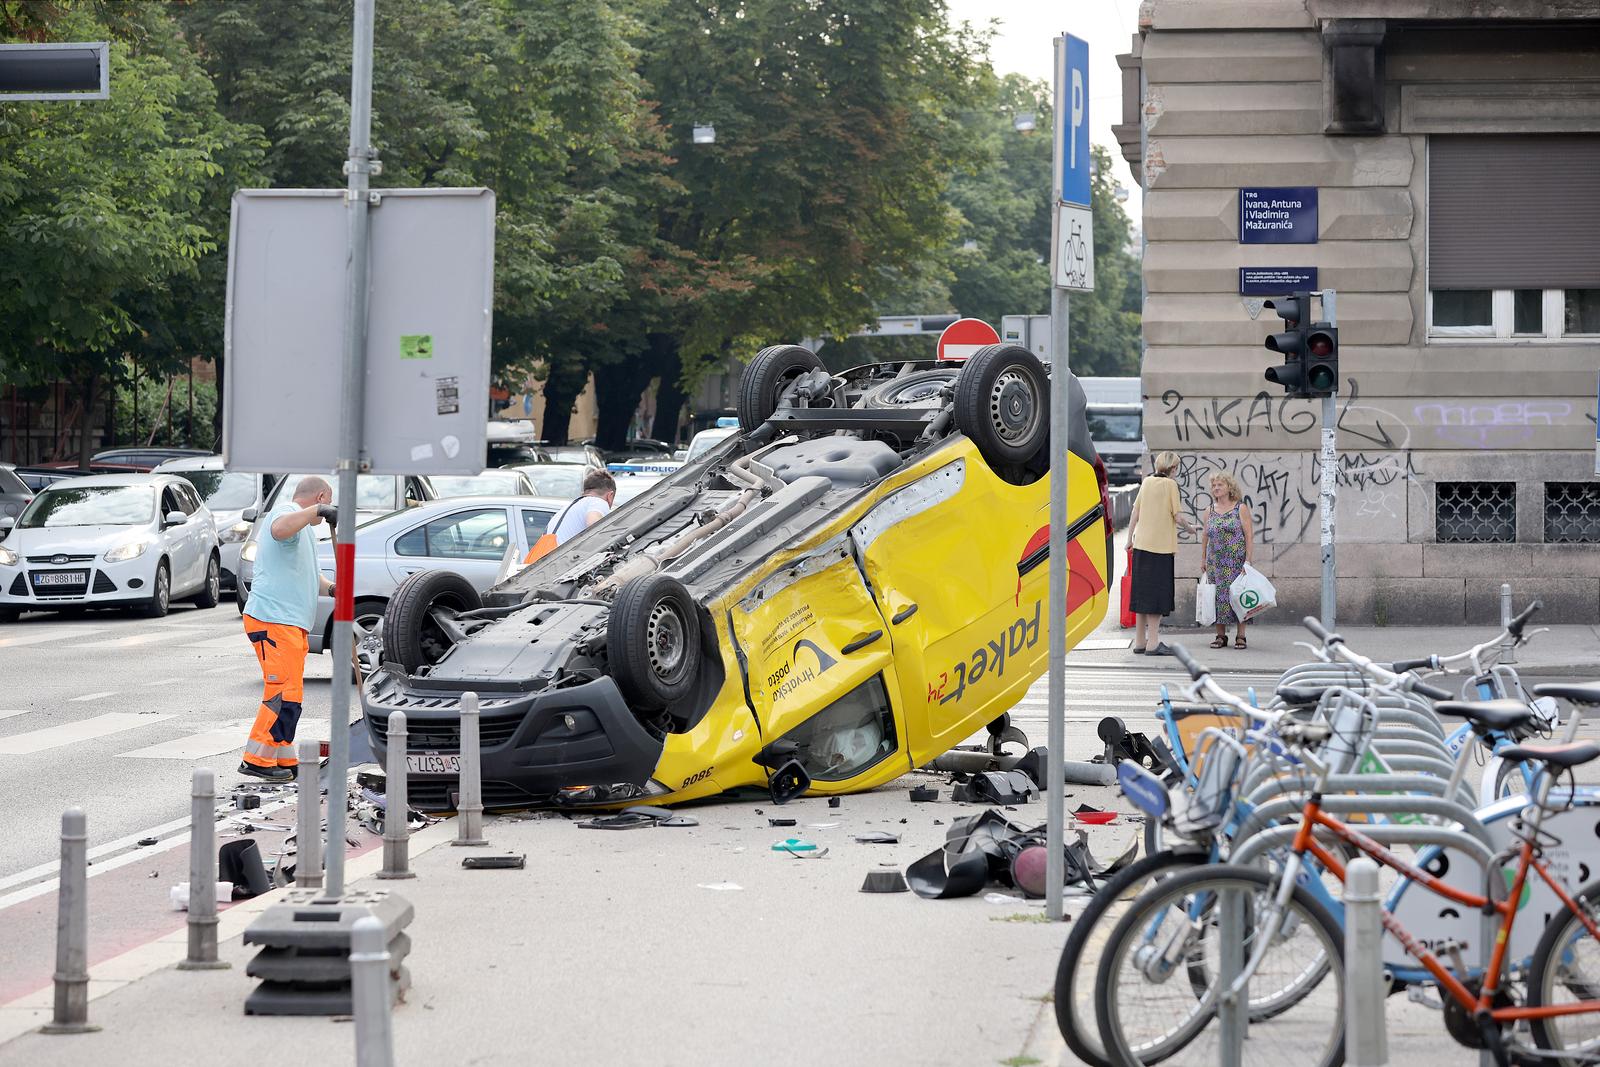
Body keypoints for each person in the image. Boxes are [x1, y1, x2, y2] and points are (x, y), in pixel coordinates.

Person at [238, 477, 335, 781]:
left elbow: (308, 573)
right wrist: (317, 510)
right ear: (320, 497)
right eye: (325, 503)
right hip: (274, 619)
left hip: (288, 622)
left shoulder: (302, 528)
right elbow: (279, 528)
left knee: (291, 693)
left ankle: (282, 755)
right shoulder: (287, 511)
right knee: (281, 692)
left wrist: (331, 589)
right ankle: (256, 758)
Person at [1126, 451, 1200, 656]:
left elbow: (1135, 512)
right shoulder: (1170, 485)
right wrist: (1190, 528)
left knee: (1141, 595)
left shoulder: (1147, 482)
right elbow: (1177, 517)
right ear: (1173, 468)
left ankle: (1140, 642)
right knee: (1157, 597)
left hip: (1141, 545)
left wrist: (1128, 539)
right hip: (1161, 548)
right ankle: (1153, 643)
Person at [1200, 470, 1255, 649]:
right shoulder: (1209, 510)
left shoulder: (1241, 508)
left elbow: (1249, 536)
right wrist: (1203, 559)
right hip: (1215, 562)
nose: (1216, 488)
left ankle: (1241, 635)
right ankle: (1221, 636)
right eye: (1214, 485)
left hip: (1236, 562)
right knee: (1217, 597)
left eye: (1220, 485)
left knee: (1238, 597)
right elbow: (1205, 536)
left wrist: (1248, 560)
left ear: (1229, 487)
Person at [546, 469, 616, 547]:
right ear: (610, 496)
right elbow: (594, 524)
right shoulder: (598, 501)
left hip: (541, 556)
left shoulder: (570, 507)